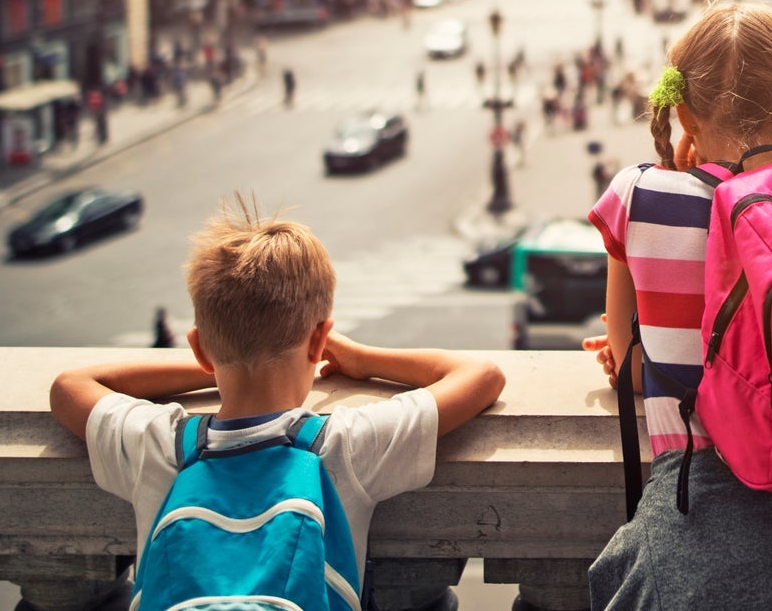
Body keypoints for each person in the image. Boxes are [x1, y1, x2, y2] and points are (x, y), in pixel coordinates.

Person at [581, 0, 772, 609]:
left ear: (683, 113)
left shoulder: (639, 194)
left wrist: (646, 350)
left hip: (690, 507)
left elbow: (632, 364)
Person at [50, 200, 506, 611]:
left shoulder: (160, 448)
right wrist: (365, 360)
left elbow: (71, 386)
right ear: (320, 341)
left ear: (199, 349)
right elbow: (482, 377)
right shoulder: (345, 448)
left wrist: (220, 359)